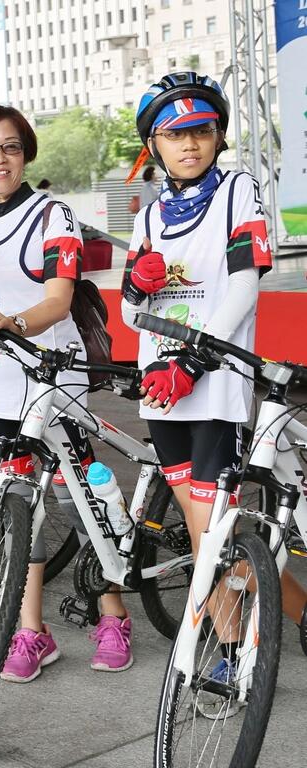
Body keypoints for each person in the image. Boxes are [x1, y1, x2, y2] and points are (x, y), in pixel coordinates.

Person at [0, 104, 133, 682]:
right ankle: (32, 631)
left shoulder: (51, 214)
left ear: (25, 154)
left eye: (9, 147)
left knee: (81, 502)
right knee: (19, 512)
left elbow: (59, 300)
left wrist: (10, 321)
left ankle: (113, 613)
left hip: (52, 383)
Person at [122, 72, 306, 680]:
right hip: (160, 391)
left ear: (219, 134)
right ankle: (298, 613)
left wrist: (194, 361)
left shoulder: (238, 191)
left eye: (202, 130)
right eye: (175, 134)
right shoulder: (149, 215)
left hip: (214, 386)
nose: (191, 143)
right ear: (155, 146)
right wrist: (136, 284)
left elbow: (246, 285)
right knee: (208, 537)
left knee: (214, 537)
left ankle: (233, 656)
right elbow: (129, 313)